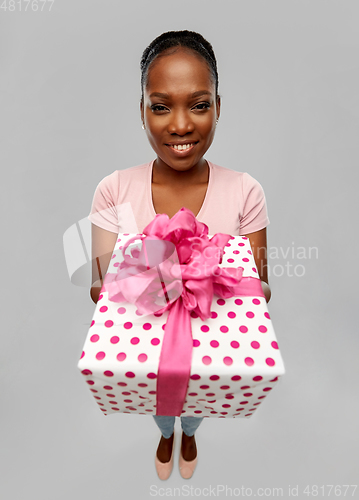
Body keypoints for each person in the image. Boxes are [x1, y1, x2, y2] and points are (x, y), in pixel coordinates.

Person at [88, 30, 271, 481]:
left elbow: (261, 286)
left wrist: (214, 281)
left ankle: (187, 432)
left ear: (219, 107)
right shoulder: (112, 189)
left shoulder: (247, 191)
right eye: (161, 106)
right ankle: (165, 433)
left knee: (196, 404)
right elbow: (96, 285)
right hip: (143, 352)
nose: (181, 126)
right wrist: (157, 279)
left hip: (214, 351)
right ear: (143, 111)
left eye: (199, 104)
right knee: (158, 403)